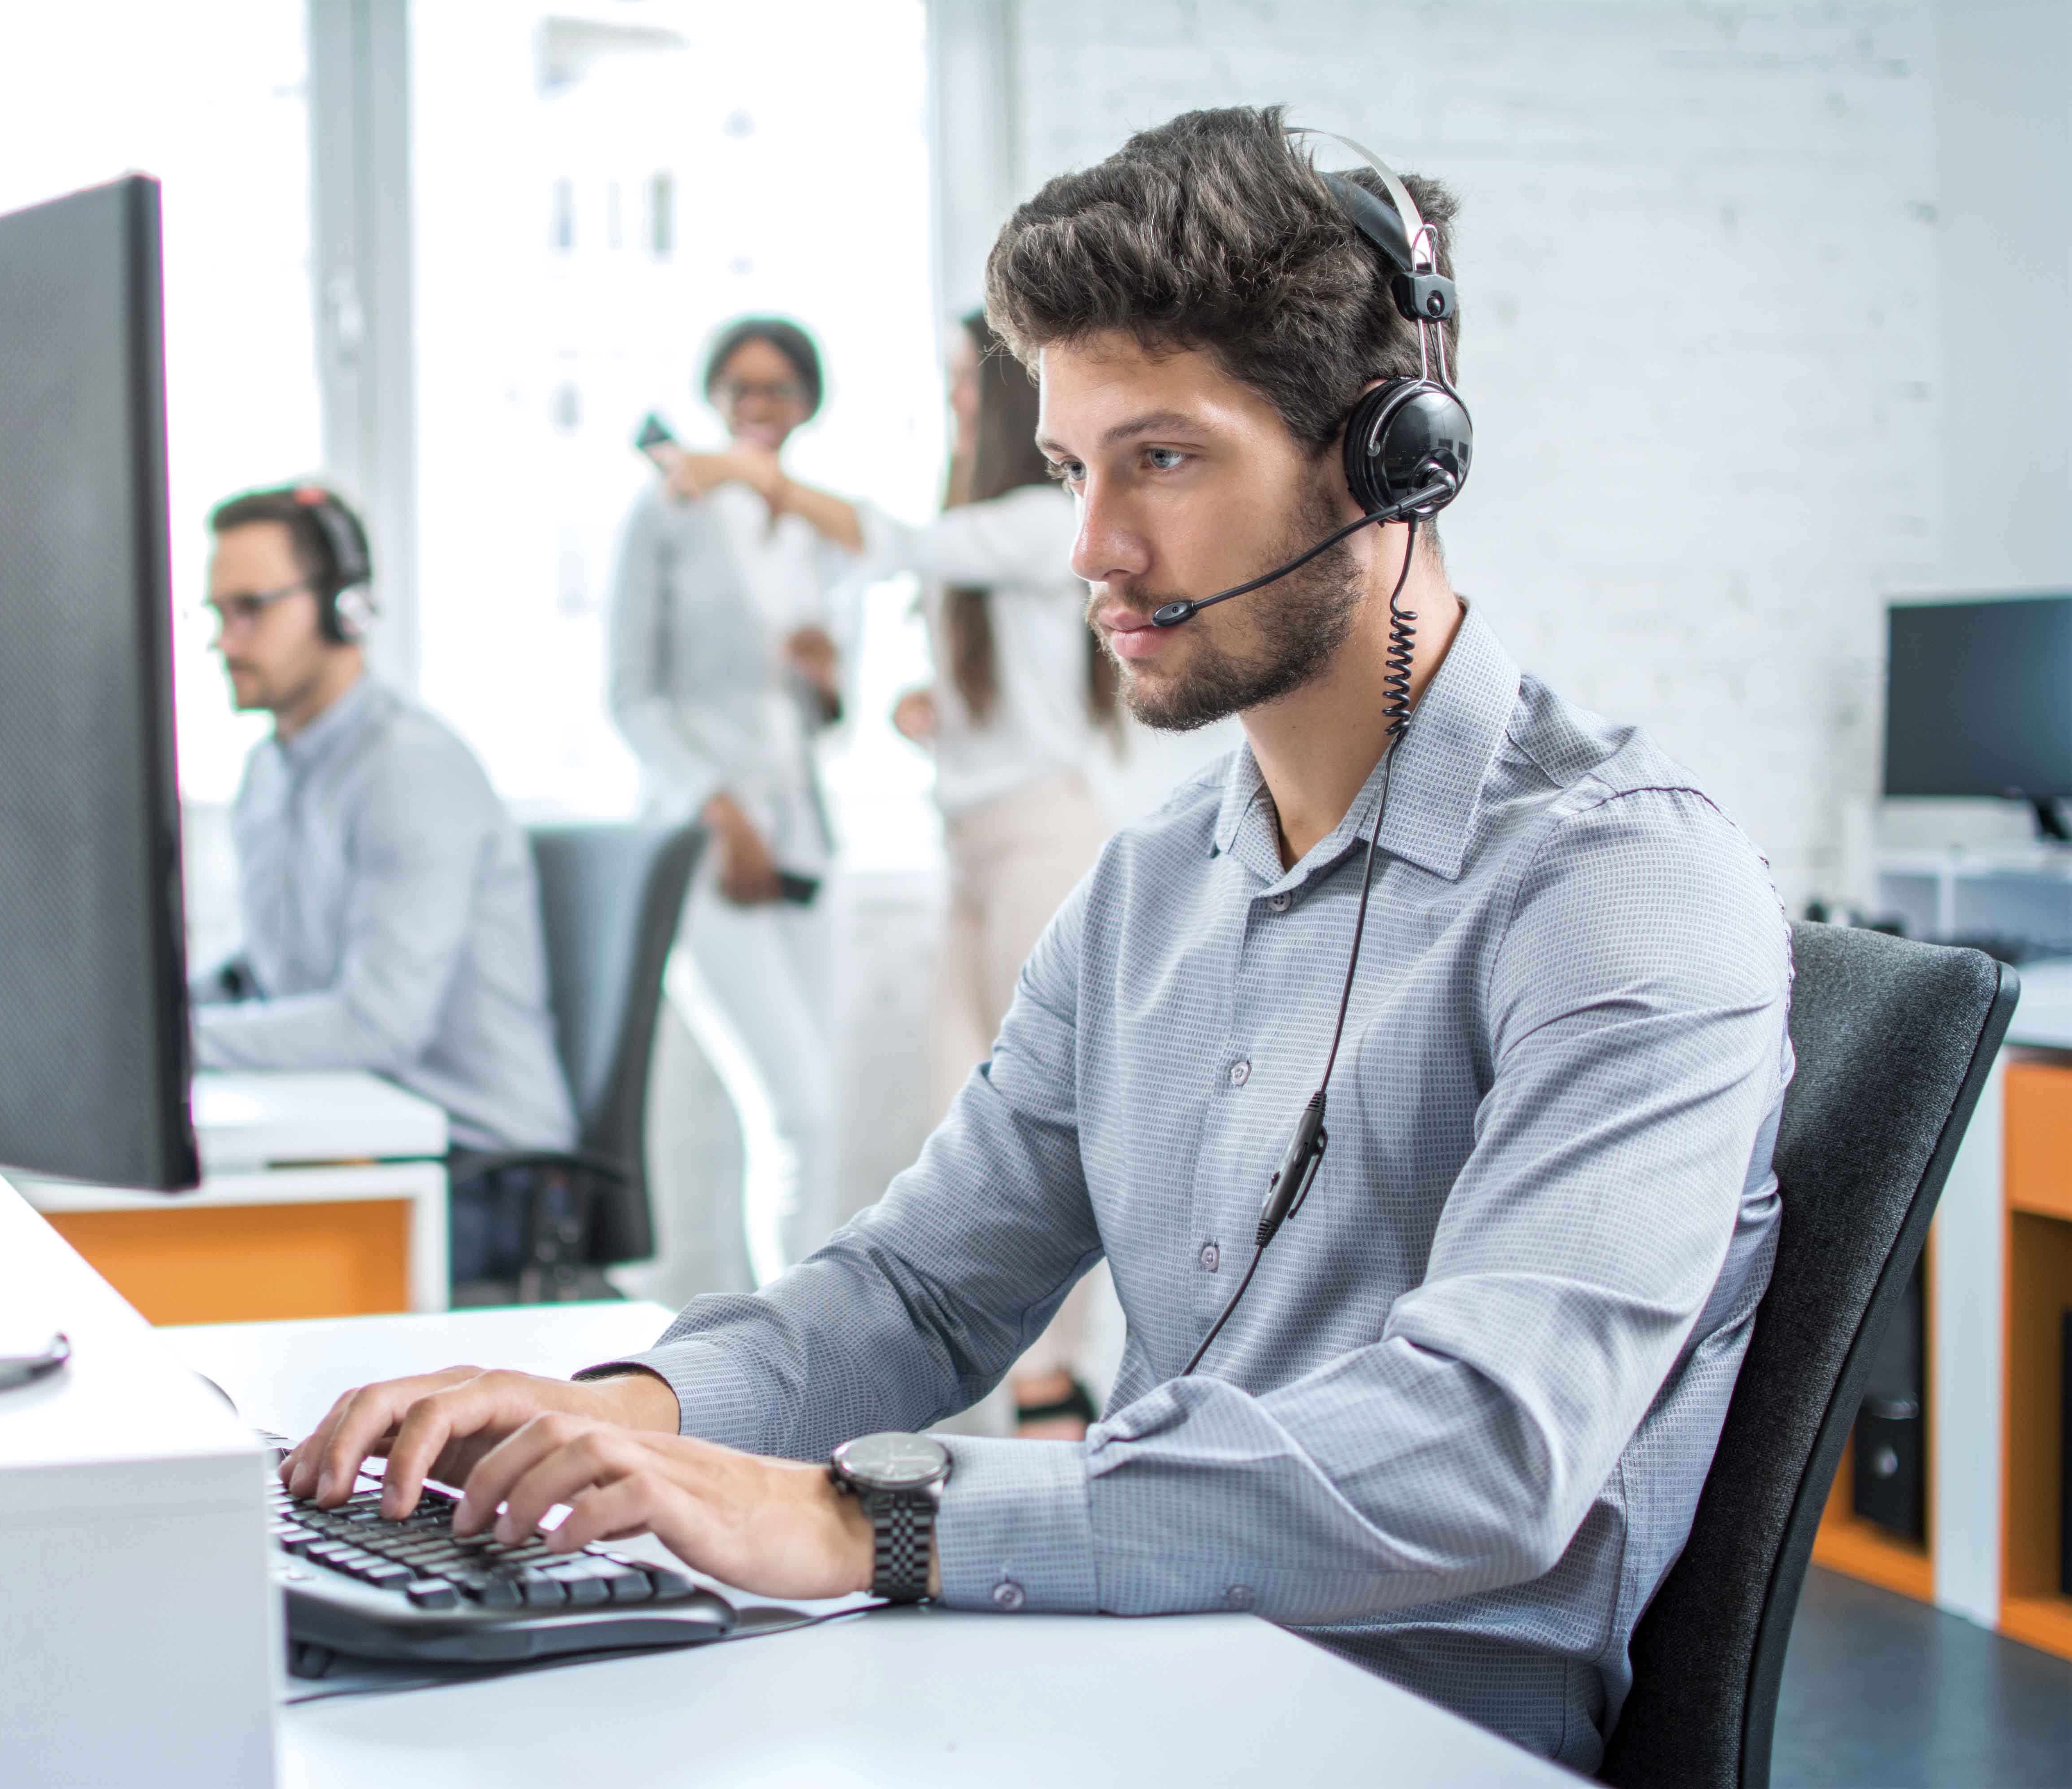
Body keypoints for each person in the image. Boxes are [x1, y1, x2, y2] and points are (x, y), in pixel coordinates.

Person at [284, 108, 1791, 1774]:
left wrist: (875, 1519)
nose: (1091, 553)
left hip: (1393, 1740)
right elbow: (924, 1291)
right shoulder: (1153, 888)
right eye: (1074, 470)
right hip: (1119, 1682)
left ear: (1391, 458)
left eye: (1162, 458)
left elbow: (1485, 1454)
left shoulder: (1620, 885)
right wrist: (622, 1414)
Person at [673, 314, 1125, 1440]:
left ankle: (1058, 1395)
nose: (956, 410)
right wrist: (937, 719)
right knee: (963, 1137)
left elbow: (895, 542)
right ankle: (1017, 1398)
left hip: (1043, 849)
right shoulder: (993, 531)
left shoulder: (1043, 518)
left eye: (966, 389)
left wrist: (748, 478)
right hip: (973, 850)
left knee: (1058, 1142)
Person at [188, 483, 579, 1290]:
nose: (227, 640)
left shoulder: (408, 770)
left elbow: (375, 1026)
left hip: (483, 1176)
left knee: (207, 1277)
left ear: (345, 610)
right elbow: (267, 972)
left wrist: (164, 1051)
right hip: (356, 1138)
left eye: (251, 608)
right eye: (216, 613)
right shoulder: (270, 770)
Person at [608, 317, 858, 1293]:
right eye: (742, 389)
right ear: (714, 397)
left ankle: (779, 1346)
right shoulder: (666, 510)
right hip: (703, 847)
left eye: (780, 391)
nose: (759, 409)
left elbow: (825, 721)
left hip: (807, 843)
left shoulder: (816, 531)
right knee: (791, 1109)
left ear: (807, 406)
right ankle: (799, 1365)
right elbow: (630, 694)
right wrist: (717, 809)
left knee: (812, 1116)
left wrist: (828, 682)